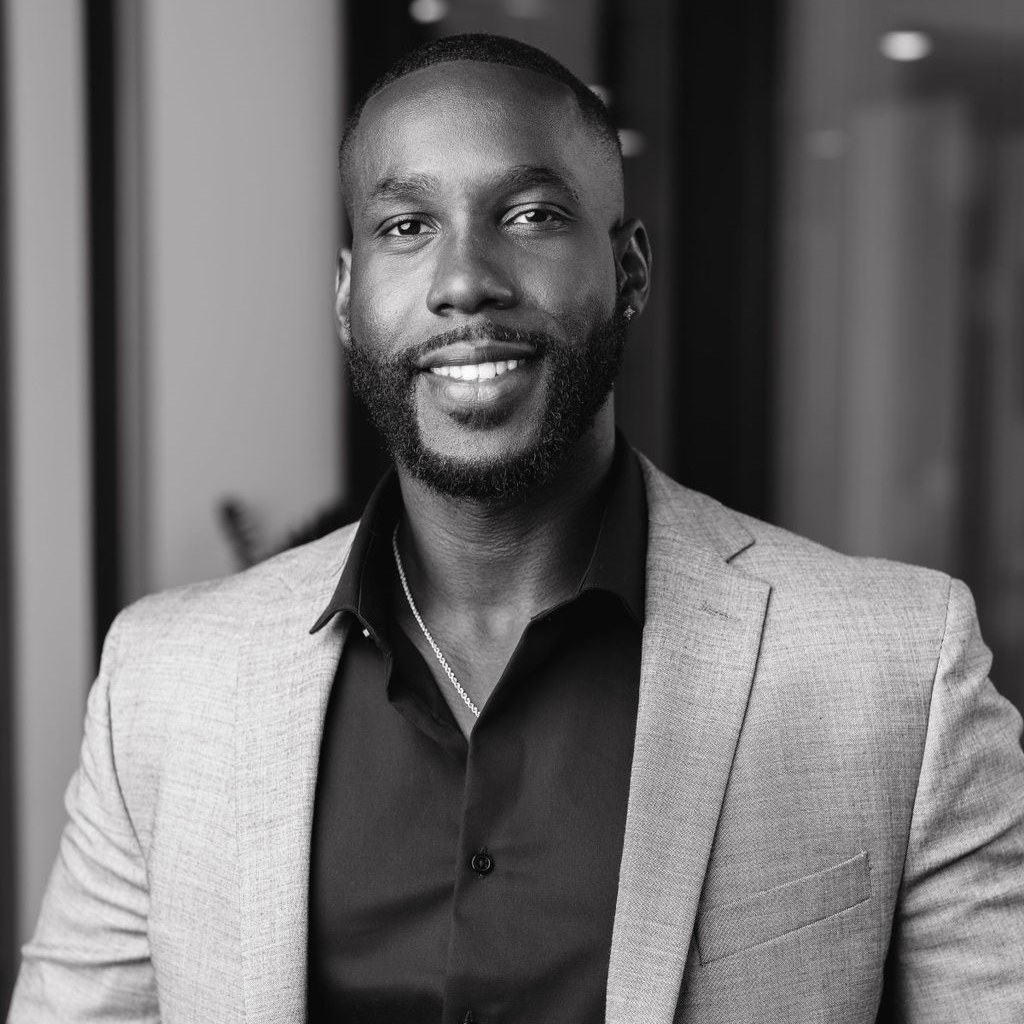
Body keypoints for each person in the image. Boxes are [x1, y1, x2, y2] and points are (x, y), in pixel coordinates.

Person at [8, 32, 1024, 1024]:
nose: (465, 280)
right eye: (407, 225)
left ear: (629, 270)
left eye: (531, 214)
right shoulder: (164, 682)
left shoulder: (898, 669)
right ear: (348, 294)